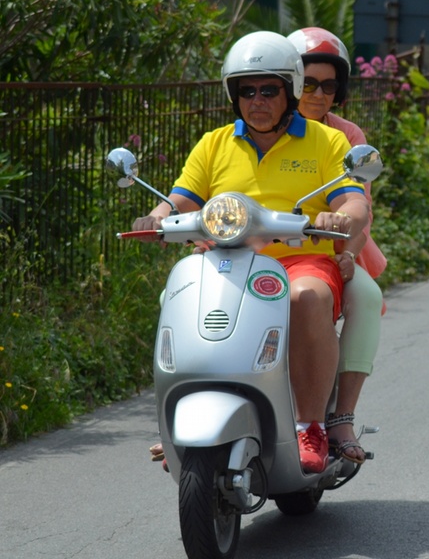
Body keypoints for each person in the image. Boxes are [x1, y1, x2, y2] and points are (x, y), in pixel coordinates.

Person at [135, 31, 370, 474]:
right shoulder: (214, 143)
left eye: (268, 90)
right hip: (227, 259)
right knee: (177, 295)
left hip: (302, 259)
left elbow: (354, 202)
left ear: (289, 92)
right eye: (247, 91)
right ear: (234, 96)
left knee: (307, 298)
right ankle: (180, 416)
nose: (257, 101)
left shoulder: (327, 142)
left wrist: (340, 218)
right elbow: (180, 198)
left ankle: (311, 425)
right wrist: (155, 216)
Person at [287, 26, 386, 465]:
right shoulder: (258, 127)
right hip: (261, 250)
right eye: (307, 83)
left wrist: (346, 251)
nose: (318, 94)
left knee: (366, 296)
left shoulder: (346, 135)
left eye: (329, 86)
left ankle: (341, 417)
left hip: (333, 249)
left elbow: (360, 207)